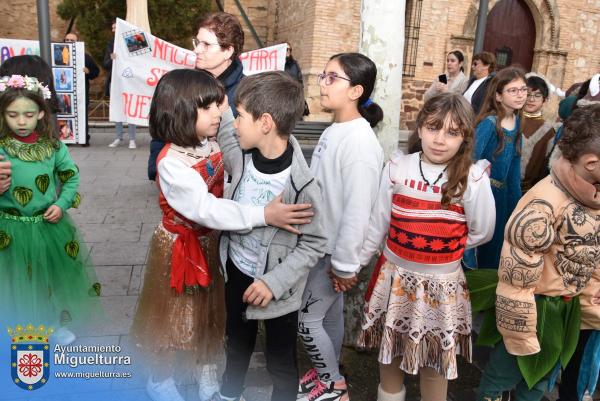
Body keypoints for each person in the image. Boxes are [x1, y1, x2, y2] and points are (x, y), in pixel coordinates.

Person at [130, 69, 315, 401]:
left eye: (221, 106)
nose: (220, 114)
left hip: (211, 245)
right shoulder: (171, 163)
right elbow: (207, 209)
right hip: (181, 249)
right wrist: (264, 214)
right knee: (177, 315)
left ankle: (206, 370)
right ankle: (159, 378)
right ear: (182, 112)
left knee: (209, 313)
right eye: (209, 107)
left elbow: (255, 134)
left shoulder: (210, 141)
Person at [357, 93, 495, 401]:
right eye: (433, 128)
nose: (440, 139)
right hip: (395, 281)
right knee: (389, 351)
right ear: (419, 129)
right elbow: (379, 224)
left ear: (465, 138)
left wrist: (442, 249)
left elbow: (482, 231)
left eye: (452, 132)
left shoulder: (473, 178)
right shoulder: (398, 167)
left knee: (435, 361)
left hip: (441, 287)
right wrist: (355, 265)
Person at [212, 71, 327, 401]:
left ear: (265, 122)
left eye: (241, 116)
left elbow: (315, 242)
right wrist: (222, 108)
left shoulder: (302, 185)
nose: (236, 124)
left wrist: (272, 282)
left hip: (279, 288)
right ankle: (229, 394)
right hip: (237, 272)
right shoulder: (243, 158)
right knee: (236, 344)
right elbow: (228, 137)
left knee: (279, 361)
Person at [476, 104, 600, 401]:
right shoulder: (544, 202)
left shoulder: (591, 196)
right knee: (504, 374)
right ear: (591, 163)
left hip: (564, 310)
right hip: (533, 306)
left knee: (541, 380)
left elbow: (591, 250)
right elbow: (517, 274)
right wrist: (520, 330)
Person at [297, 53, 385, 401]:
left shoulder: (360, 142)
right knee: (329, 317)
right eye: (323, 75)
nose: (322, 83)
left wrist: (346, 265)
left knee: (307, 321)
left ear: (356, 91)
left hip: (334, 252)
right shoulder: (336, 129)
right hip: (320, 245)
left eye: (332, 78)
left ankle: (334, 385)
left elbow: (358, 211)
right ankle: (327, 375)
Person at [0, 75, 102, 344]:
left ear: (41, 113)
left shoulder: (53, 147)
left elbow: (71, 177)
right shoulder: (1, 148)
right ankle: (14, 326)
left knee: (50, 280)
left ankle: (53, 324)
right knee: (13, 282)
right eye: (12, 115)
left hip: (48, 227)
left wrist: (61, 203)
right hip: (8, 229)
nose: (21, 122)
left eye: (28, 114)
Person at [148, 11, 246, 180]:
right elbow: (164, 128)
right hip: (181, 180)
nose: (196, 49)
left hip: (230, 184)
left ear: (228, 51)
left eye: (206, 44)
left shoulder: (248, 93)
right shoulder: (185, 84)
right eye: (197, 42)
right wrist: (156, 170)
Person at [466, 67, 527, 270]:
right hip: (483, 195)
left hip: (502, 198)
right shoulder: (490, 124)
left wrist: (516, 207)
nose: (520, 95)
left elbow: (514, 172)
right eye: (513, 90)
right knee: (478, 249)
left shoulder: (517, 123)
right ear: (499, 96)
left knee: (496, 250)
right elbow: (470, 161)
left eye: (523, 89)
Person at [104, 22, 137, 149]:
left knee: (130, 109)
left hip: (130, 82)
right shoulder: (110, 44)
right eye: (112, 28)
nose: (113, 30)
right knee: (117, 109)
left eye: (116, 27)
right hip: (116, 81)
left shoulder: (132, 41)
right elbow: (105, 64)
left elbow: (140, 60)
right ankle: (118, 137)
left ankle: (132, 139)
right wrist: (111, 59)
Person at [520, 75, 555, 192]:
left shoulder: (549, 130)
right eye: (528, 94)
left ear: (544, 100)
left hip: (528, 189)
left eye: (537, 95)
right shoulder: (510, 121)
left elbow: (545, 165)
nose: (531, 99)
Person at [64, 32, 100, 146]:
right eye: (67, 40)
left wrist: (88, 72)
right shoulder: (59, 54)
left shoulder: (85, 57)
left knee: (82, 115)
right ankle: (67, 137)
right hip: (64, 92)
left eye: (72, 40)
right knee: (65, 114)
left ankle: (84, 138)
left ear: (77, 42)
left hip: (81, 92)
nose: (69, 42)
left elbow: (96, 72)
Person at [283, 43, 309, 116]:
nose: (288, 51)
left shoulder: (294, 64)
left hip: (293, 95)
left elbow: (299, 79)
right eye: (286, 49)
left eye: (289, 49)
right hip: (280, 96)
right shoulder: (276, 64)